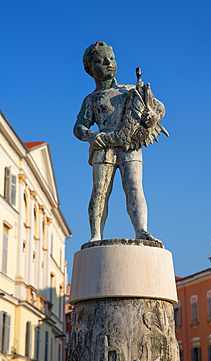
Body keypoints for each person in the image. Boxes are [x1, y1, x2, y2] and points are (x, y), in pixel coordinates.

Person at [73, 41, 165, 242]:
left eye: (112, 59)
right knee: (100, 191)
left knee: (134, 187)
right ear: (90, 69)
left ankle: (142, 230)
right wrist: (90, 135)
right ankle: (95, 235)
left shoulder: (131, 90)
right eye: (101, 60)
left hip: (131, 144)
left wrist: (153, 118)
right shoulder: (92, 99)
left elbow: (159, 107)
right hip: (103, 146)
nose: (109, 63)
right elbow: (79, 127)